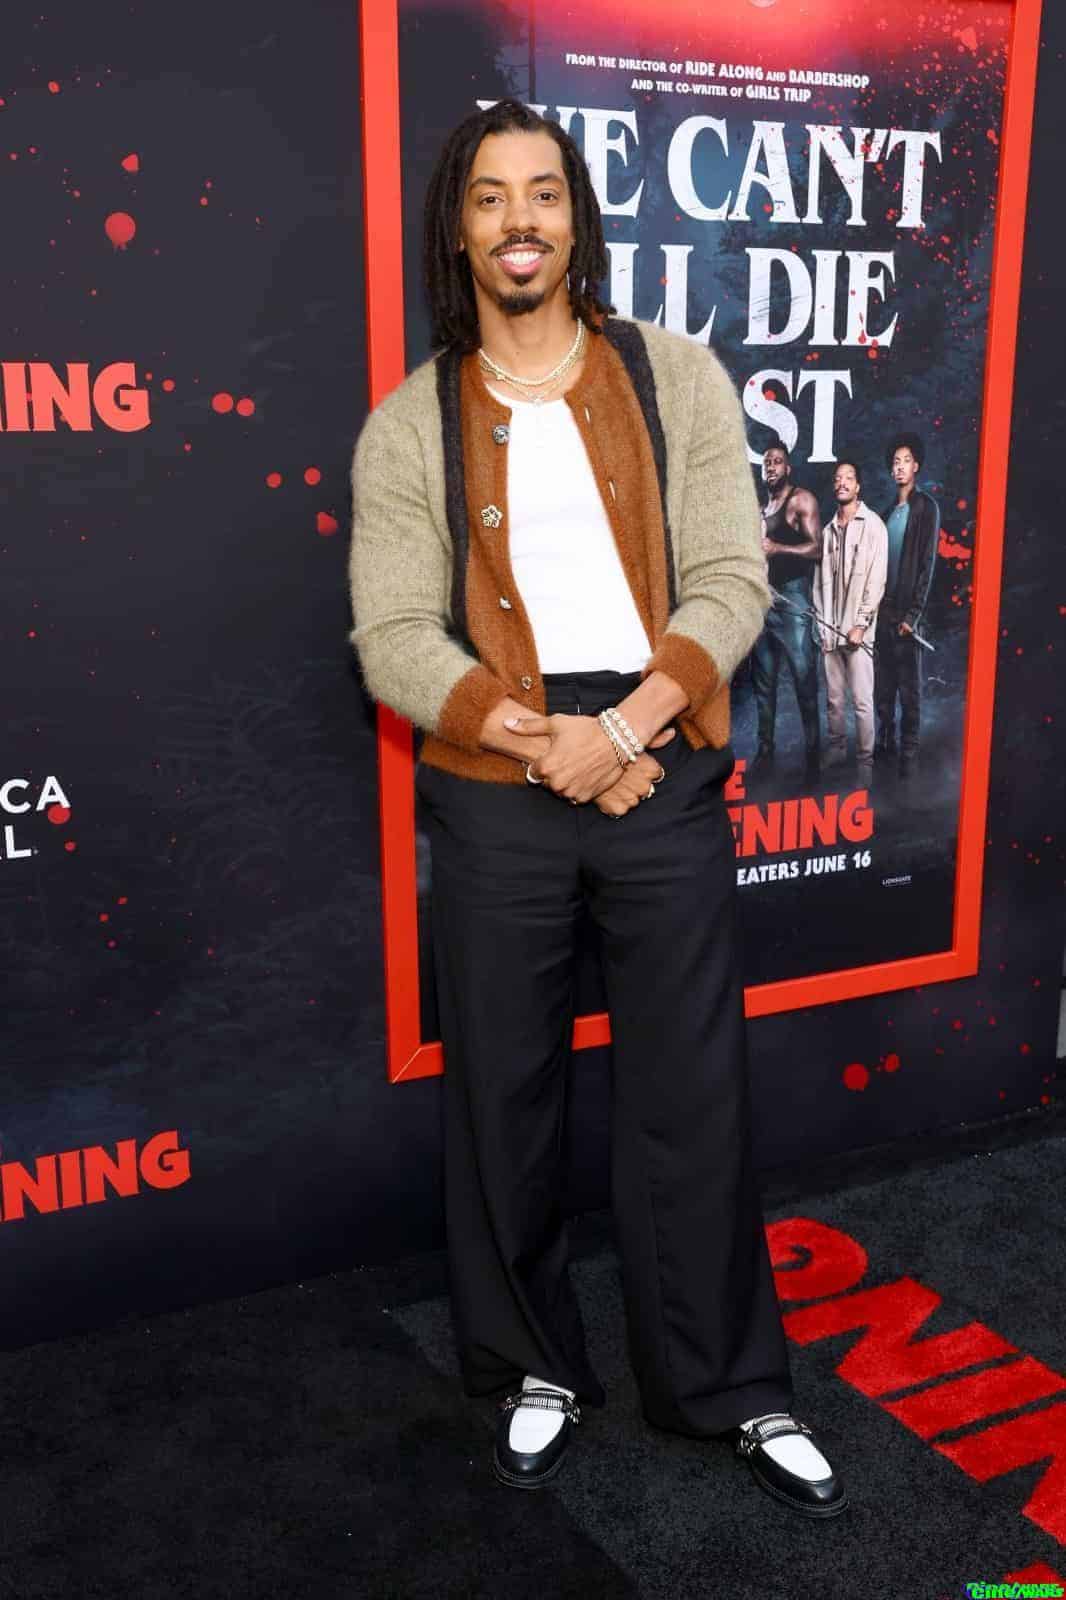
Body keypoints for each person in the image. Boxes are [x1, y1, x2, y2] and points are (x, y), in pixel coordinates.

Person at [348, 98, 846, 1518]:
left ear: (577, 220)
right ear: (458, 231)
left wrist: (626, 728)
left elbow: (733, 581)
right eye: (490, 197)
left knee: (691, 1088)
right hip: (497, 775)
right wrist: (546, 742)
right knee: (503, 1090)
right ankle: (531, 1366)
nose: (520, 221)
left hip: (656, 748)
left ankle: (727, 1386)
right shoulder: (409, 423)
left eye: (544, 193)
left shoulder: (676, 374)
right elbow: (392, 637)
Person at [749, 440, 823, 785]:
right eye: (767, 462)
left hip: (793, 601)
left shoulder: (800, 500)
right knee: (763, 683)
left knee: (804, 681)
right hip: (764, 603)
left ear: (788, 468)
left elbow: (817, 549)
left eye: (777, 462)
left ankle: (813, 762)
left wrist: (777, 547)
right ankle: (765, 755)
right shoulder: (762, 509)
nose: (771, 467)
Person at [817, 459, 888, 790]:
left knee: (861, 701)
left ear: (858, 486)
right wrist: (822, 625)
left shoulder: (873, 526)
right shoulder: (827, 532)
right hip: (830, 633)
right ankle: (837, 749)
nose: (842, 483)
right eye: (837, 478)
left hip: (858, 633)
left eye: (848, 478)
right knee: (834, 699)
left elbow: (876, 579)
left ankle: (865, 763)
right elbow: (818, 585)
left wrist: (861, 623)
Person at [876, 432, 941, 778]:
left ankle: (909, 751)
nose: (900, 467)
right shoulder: (887, 513)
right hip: (883, 614)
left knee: (909, 689)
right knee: (883, 687)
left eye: (906, 461)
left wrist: (913, 616)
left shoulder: (925, 508)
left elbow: (927, 564)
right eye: (895, 462)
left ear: (916, 466)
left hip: (907, 616)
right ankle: (884, 743)